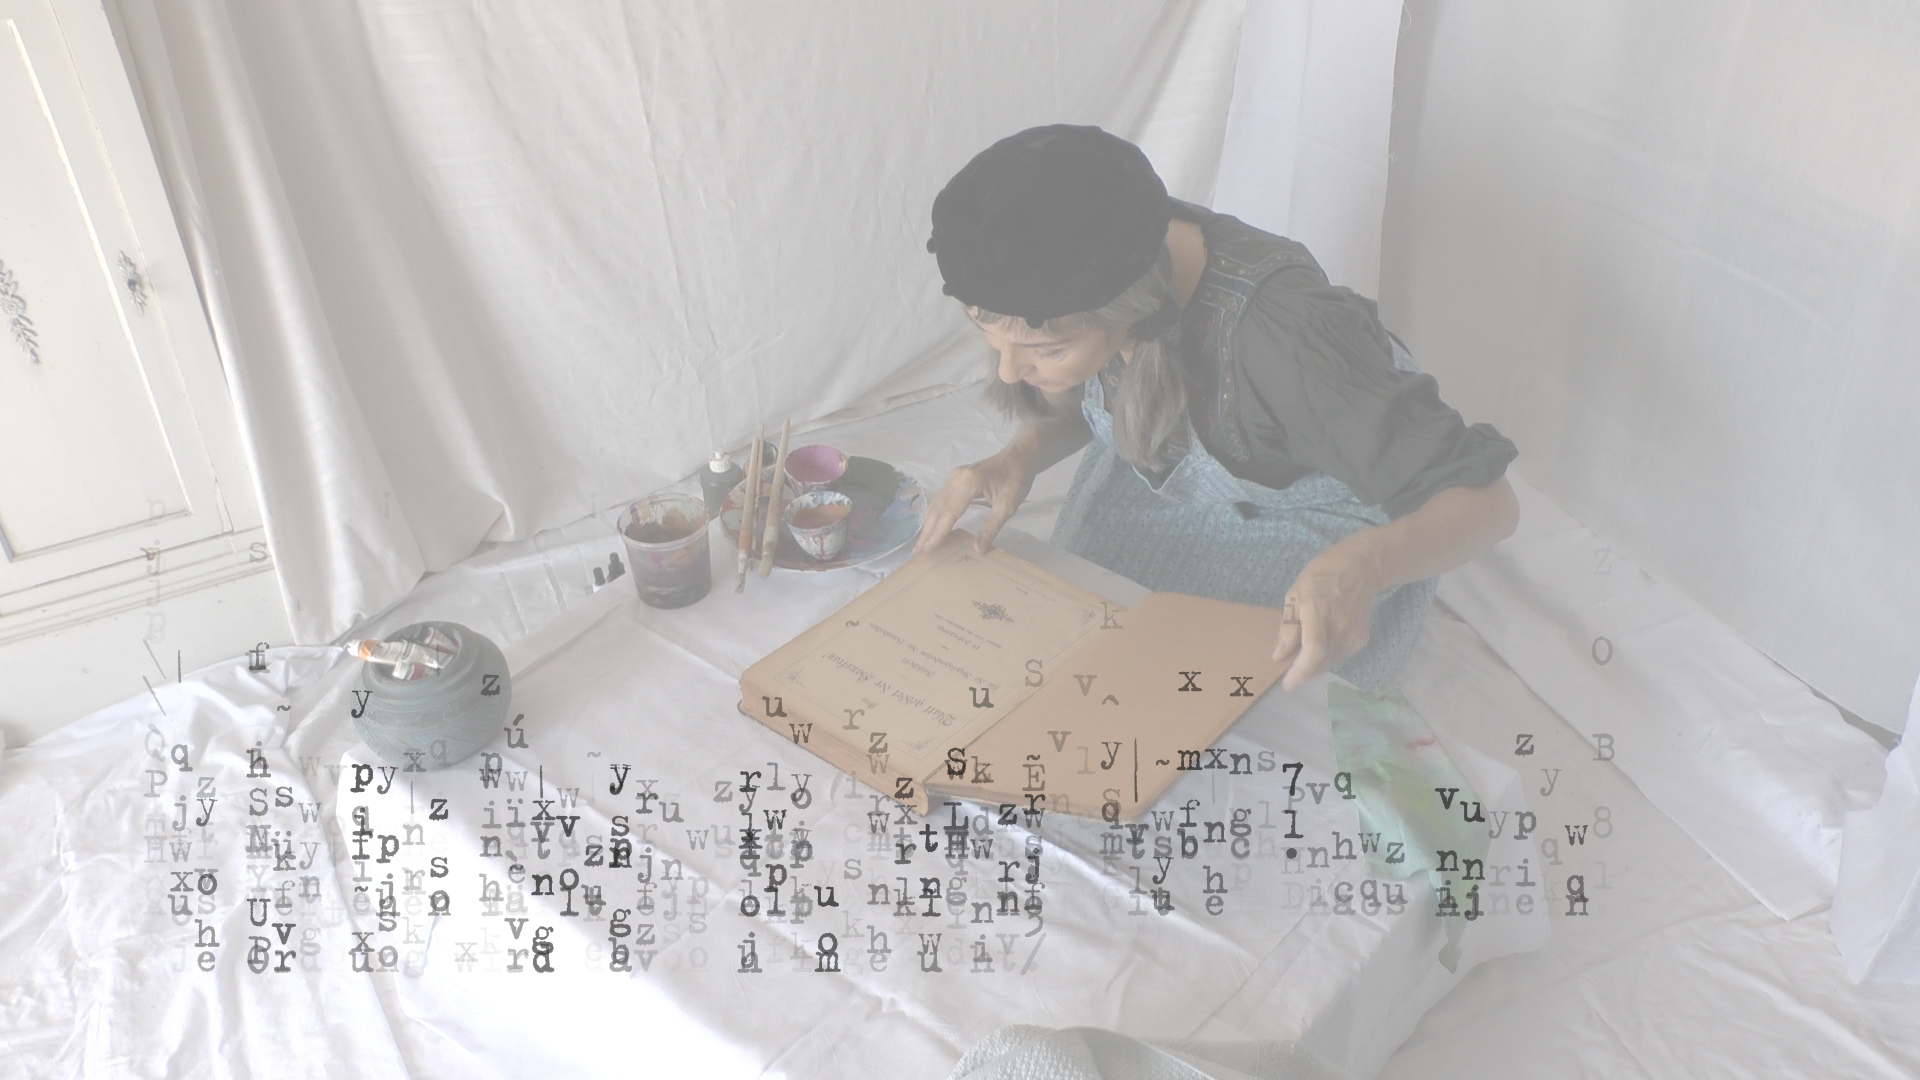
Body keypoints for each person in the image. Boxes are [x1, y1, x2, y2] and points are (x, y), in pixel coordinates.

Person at [914, 124, 1520, 692]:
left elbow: (1490, 502)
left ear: (1131, 314)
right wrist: (1020, 455)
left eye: (1045, 350)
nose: (1008, 373)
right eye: (991, 340)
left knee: (1202, 695)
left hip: (1316, 513)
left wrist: (1366, 564)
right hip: (1165, 474)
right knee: (1070, 645)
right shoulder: (1101, 244)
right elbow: (1101, 392)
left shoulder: (1289, 340)